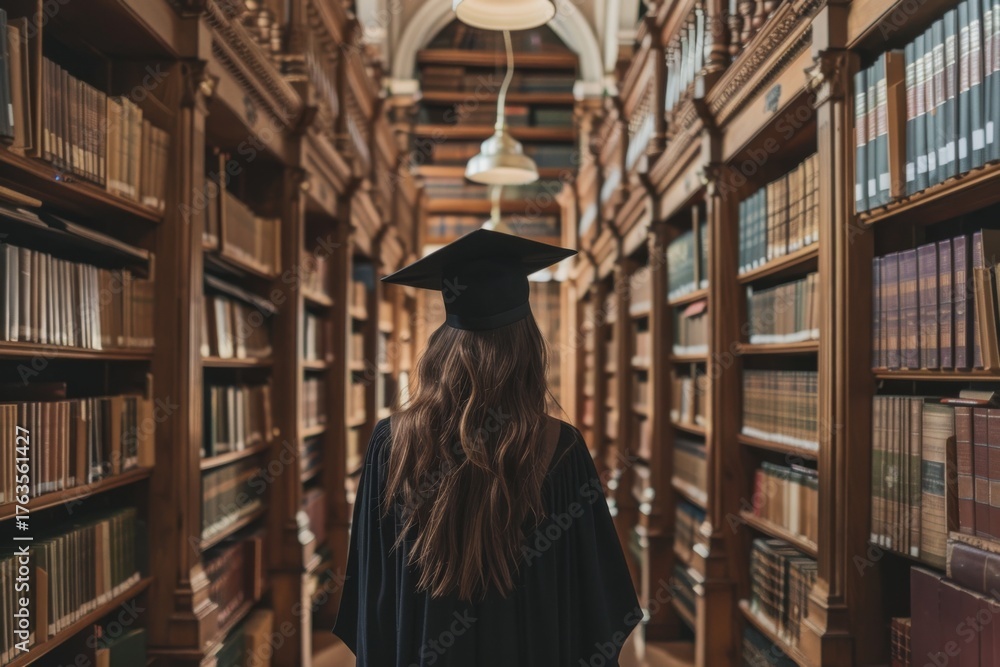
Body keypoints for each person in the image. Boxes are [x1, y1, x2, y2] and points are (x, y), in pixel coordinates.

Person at [333, 229, 641, 666]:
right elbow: (598, 601)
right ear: (529, 348)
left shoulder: (390, 442)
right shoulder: (562, 448)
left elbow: (372, 595)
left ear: (442, 344)